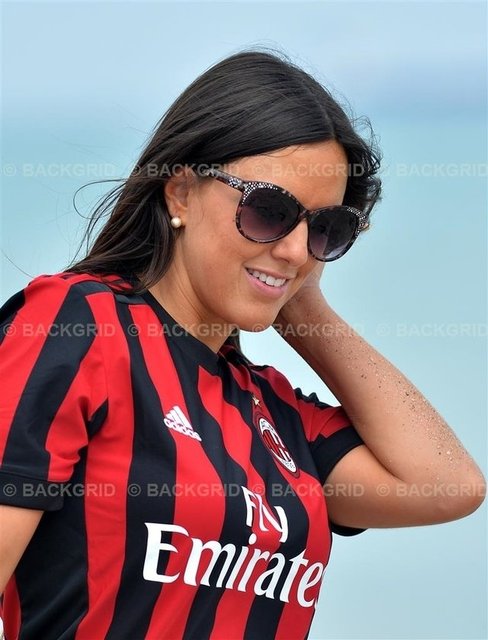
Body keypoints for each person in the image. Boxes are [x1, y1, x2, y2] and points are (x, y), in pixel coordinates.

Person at [0, 50, 485, 640]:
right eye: (269, 211)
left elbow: (448, 487)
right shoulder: (79, 328)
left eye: (326, 228)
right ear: (181, 192)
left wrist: (302, 301)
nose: (296, 248)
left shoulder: (278, 416)